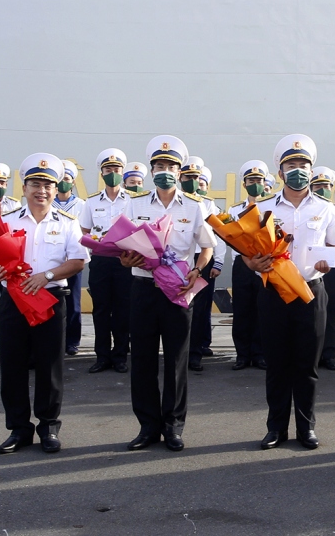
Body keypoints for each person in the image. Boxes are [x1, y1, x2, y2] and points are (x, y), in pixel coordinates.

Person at [0, 154, 88, 454]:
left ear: (56, 190)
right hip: (13, 302)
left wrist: (47, 276)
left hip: (51, 300)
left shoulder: (68, 223)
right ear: (24, 187)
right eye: (35, 184)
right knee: (12, 365)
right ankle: (18, 429)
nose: (42, 190)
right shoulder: (5, 221)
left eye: (48, 185)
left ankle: (49, 427)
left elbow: (78, 261)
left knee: (49, 366)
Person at [246, 134, 335, 451]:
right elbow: (247, 252)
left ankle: (306, 428)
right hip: (274, 292)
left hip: (311, 292)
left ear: (312, 171)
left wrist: (331, 260)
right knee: (276, 364)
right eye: (291, 165)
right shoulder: (262, 208)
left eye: (303, 164)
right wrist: (253, 263)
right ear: (280, 172)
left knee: (306, 365)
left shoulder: (327, 208)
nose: (298, 169)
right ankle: (275, 428)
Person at [122, 135, 216, 452]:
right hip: (143, 289)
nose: (165, 171)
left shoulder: (194, 206)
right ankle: (148, 427)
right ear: (151, 170)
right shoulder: (133, 204)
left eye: (170, 166)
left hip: (178, 288)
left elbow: (207, 247)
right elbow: (122, 246)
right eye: (159, 166)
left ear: (179, 171)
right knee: (144, 359)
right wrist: (125, 257)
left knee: (177, 359)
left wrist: (197, 270)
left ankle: (174, 426)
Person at [81, 148, 134, 374]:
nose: (112, 173)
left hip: (125, 261)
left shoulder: (133, 200)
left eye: (116, 169)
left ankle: (120, 355)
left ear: (122, 172)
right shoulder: (91, 202)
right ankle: (102, 356)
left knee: (123, 309)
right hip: (101, 261)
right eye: (108, 169)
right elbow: (84, 231)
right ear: (101, 173)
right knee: (101, 309)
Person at [229, 160, 271, 371]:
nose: (255, 183)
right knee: (242, 310)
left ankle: (260, 353)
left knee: (264, 309)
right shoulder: (234, 210)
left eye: (259, 180)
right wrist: (247, 260)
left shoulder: (272, 206)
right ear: (244, 185)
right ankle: (242, 354)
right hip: (243, 264)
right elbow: (230, 238)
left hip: (267, 263)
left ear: (265, 183)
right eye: (251, 180)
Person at [180, 156, 221, 372]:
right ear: (180, 177)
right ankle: (178, 351)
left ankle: (194, 354)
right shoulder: (174, 201)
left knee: (199, 309)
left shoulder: (208, 204)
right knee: (178, 308)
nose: (192, 180)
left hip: (201, 259)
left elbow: (215, 237)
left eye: (196, 177)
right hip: (177, 260)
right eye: (188, 176)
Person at [310, 166, 335, 371]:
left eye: (326, 186)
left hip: (332, 266)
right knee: (310, 312)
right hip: (310, 267)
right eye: (317, 186)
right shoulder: (307, 211)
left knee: (331, 311)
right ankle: (311, 354)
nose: (322, 189)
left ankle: (329, 354)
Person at [53, 162, 87, 356]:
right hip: (54, 261)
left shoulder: (81, 205)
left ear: (73, 182)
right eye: (60, 180)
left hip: (74, 261)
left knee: (74, 303)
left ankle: (72, 341)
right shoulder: (49, 204)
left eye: (67, 179)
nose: (63, 183)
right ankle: (57, 338)